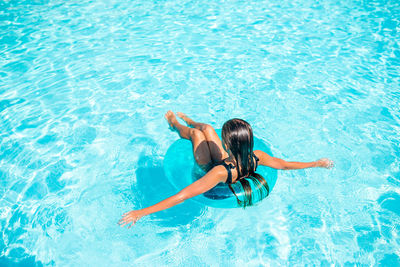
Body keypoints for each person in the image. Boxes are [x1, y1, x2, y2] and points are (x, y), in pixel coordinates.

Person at [119, 111, 333, 228]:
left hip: (206, 171)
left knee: (196, 135)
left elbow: (183, 195)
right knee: (207, 128)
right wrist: (316, 163)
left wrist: (141, 212)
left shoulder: (219, 173)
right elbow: (285, 165)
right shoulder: (257, 156)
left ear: (228, 145)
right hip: (230, 163)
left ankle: (175, 124)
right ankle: (191, 120)